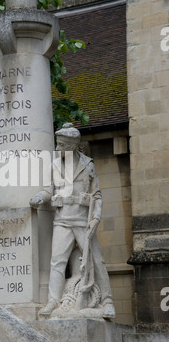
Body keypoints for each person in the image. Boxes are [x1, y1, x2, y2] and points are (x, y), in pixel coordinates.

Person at [30, 123, 115, 318]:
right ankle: (53, 300)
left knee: (97, 260)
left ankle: (107, 301)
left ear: (71, 146)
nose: (57, 149)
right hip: (62, 220)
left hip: (84, 221)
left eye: (60, 145)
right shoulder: (55, 166)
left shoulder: (87, 164)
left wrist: (96, 218)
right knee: (57, 262)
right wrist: (39, 197)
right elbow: (48, 189)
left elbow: (97, 195)